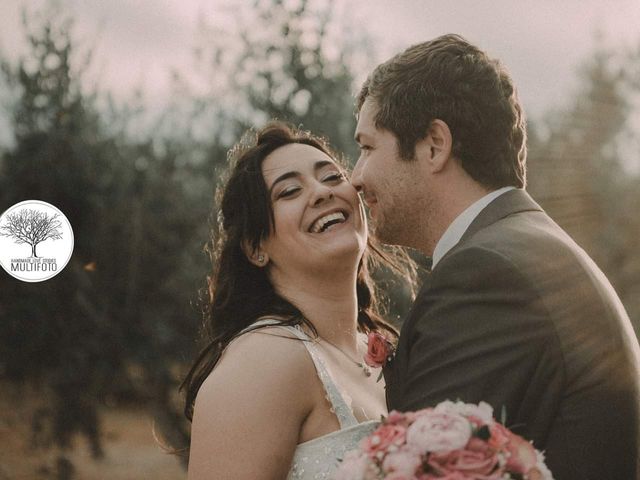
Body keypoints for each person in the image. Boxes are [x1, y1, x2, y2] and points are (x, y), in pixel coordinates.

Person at [351, 34, 640, 479]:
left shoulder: (486, 276)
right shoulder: (526, 248)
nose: (355, 176)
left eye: (367, 147)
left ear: (433, 144)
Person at [183, 122, 411, 479]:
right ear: (256, 248)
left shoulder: (387, 350)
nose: (321, 193)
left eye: (333, 177)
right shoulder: (263, 360)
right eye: (289, 191)